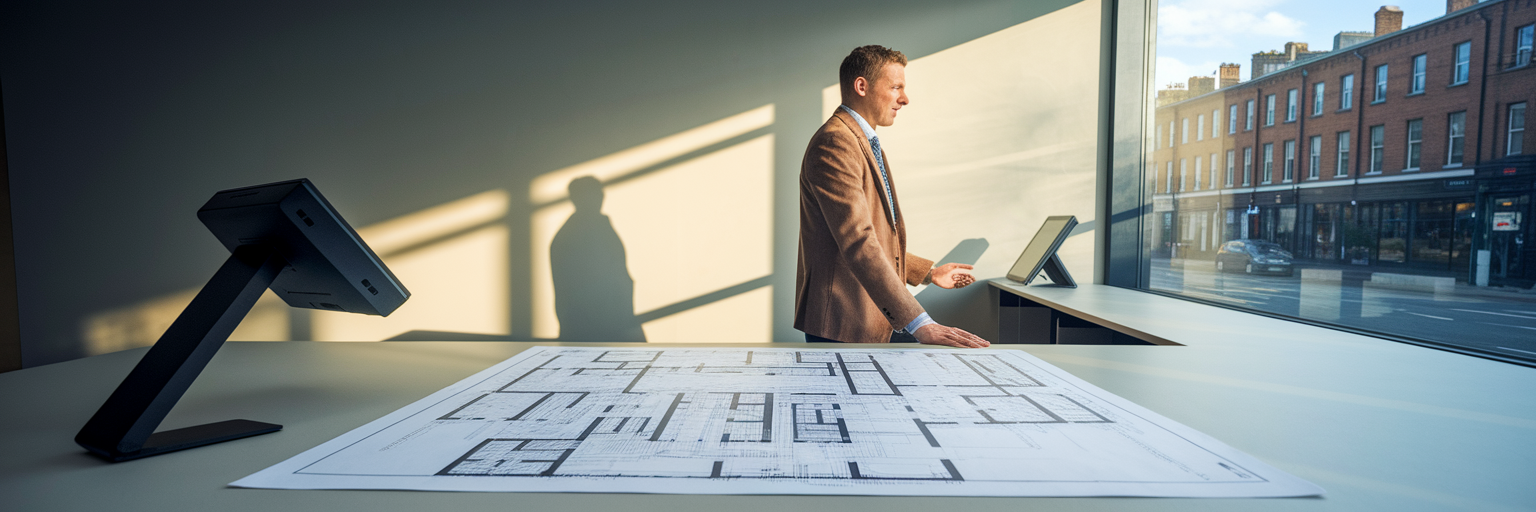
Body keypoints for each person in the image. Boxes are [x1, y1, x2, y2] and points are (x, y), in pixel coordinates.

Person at [794, 45, 989, 349]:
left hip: (860, 321)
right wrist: (920, 323)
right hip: (843, 322)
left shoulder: (861, 141)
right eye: (896, 87)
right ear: (862, 86)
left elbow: (873, 237)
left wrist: (928, 272)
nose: (905, 99)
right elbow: (858, 240)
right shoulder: (835, 143)